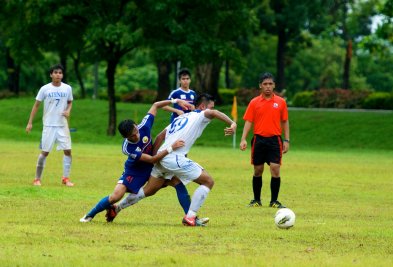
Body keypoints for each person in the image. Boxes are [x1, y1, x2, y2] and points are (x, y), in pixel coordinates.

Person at [107, 93, 237, 227]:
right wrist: (232, 123)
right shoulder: (200, 115)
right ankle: (190, 217)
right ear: (203, 106)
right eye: (210, 106)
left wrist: (155, 158)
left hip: (162, 157)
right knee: (208, 181)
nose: (212, 110)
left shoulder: (182, 118)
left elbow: (159, 137)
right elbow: (214, 113)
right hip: (173, 158)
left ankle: (116, 208)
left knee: (149, 190)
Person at [79, 98, 194, 222]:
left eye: (136, 131)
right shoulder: (128, 147)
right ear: (125, 137)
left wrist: (175, 101)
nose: (137, 135)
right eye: (133, 135)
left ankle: (190, 217)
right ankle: (89, 215)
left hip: (153, 168)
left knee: (176, 181)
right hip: (135, 171)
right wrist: (171, 147)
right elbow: (151, 159)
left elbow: (155, 105)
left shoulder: (143, 126)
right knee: (116, 196)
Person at [240, 72, 290, 208]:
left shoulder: (281, 102)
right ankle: (256, 200)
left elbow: (285, 121)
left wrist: (287, 140)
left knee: (275, 169)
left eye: (270, 84)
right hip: (259, 140)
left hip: (275, 141)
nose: (268, 86)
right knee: (258, 170)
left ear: (274, 85)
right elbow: (248, 121)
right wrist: (243, 139)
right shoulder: (254, 102)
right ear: (260, 86)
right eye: (265, 84)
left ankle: (274, 201)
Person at [26, 64, 74, 187]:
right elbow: (36, 105)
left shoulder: (67, 88)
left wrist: (68, 110)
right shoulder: (45, 89)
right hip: (49, 125)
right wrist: (30, 122)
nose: (58, 75)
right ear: (51, 74)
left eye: (60, 73)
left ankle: (65, 178)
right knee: (45, 152)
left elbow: (70, 102)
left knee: (68, 151)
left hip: (62, 125)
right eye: (56, 72)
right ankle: (37, 179)